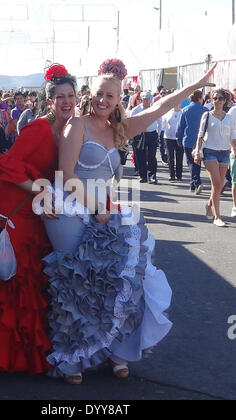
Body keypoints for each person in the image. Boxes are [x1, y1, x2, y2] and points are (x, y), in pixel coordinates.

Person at [42, 59, 216, 385]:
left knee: (121, 279)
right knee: (77, 283)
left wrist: (194, 87)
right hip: (68, 208)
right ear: (88, 95)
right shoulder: (76, 125)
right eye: (98, 94)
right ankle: (73, 358)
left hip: (101, 208)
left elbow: (162, 106)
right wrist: (97, 206)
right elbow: (65, 176)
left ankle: (115, 351)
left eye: (110, 96)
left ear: (119, 99)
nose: (103, 100)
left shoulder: (119, 129)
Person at [0, 64, 77, 375]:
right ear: (49, 99)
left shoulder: (67, 129)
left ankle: (24, 350)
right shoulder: (40, 128)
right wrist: (37, 189)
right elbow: (6, 165)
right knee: (13, 277)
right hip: (15, 207)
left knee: (29, 277)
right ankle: (3, 355)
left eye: (71, 96)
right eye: (60, 97)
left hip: (36, 210)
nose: (66, 101)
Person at [193, 89, 236, 227]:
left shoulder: (228, 117)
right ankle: (217, 217)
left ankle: (208, 205)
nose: (218, 101)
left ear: (225, 100)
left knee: (218, 185)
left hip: (225, 152)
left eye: (221, 98)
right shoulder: (207, 115)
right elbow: (200, 135)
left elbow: (232, 136)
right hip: (210, 151)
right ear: (212, 100)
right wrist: (197, 152)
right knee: (217, 184)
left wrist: (234, 148)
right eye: (215, 98)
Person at [177, 90, 208, 194]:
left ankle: (196, 182)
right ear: (200, 98)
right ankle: (193, 184)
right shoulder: (205, 110)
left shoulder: (185, 110)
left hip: (188, 140)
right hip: (201, 140)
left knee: (191, 162)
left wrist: (179, 138)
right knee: (197, 162)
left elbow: (180, 127)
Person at [131, 91, 162, 184]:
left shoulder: (154, 109)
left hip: (152, 134)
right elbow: (131, 123)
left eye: (147, 99)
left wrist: (159, 134)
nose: (146, 101)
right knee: (141, 156)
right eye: (144, 99)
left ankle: (152, 175)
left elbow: (160, 122)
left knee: (152, 156)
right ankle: (143, 176)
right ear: (141, 100)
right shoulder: (136, 110)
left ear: (151, 100)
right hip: (140, 135)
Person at [162, 105, 183, 181]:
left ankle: (179, 175)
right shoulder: (168, 113)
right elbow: (163, 124)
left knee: (179, 157)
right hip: (168, 138)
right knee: (170, 157)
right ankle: (172, 175)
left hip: (179, 138)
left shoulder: (182, 113)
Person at [228, 102, 236, 217]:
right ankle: (235, 206)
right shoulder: (233, 111)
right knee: (235, 180)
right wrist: (234, 147)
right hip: (235, 149)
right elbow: (229, 131)